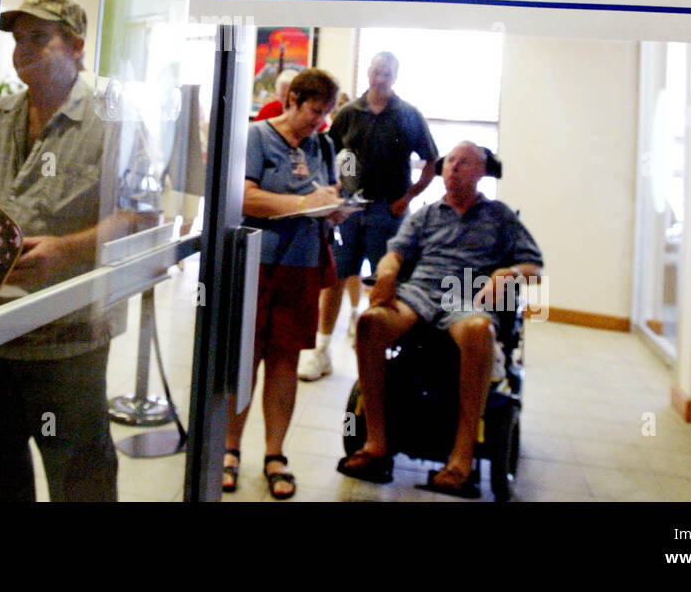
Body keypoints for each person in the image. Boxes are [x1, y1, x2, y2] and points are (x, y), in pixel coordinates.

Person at [0, 0, 141, 502]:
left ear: (77, 45)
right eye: (18, 39)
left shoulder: (114, 118)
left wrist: (67, 249)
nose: (22, 50)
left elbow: (140, 213)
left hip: (67, 338)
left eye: (39, 38)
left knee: (80, 478)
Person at [336, 141, 543, 493]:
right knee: (370, 323)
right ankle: (376, 442)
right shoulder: (426, 214)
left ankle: (461, 457)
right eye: (449, 162)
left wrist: (507, 273)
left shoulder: (500, 216)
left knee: (479, 330)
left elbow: (533, 268)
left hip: (467, 296)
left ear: (480, 172)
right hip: (419, 293)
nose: (452, 167)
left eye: (463, 163)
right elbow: (395, 254)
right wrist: (386, 274)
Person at [225, 68, 342, 500]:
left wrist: (334, 208)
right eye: (315, 110)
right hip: (256, 263)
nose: (320, 121)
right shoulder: (256, 137)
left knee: (284, 362)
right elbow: (243, 196)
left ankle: (275, 454)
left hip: (302, 265)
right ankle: (229, 449)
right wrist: (300, 203)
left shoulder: (323, 145)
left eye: (326, 113)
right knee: (244, 358)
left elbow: (325, 193)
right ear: (293, 99)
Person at [299, 51, 437, 381]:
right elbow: (324, 153)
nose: (380, 76)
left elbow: (432, 161)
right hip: (348, 211)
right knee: (334, 278)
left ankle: (384, 358)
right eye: (376, 70)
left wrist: (409, 197)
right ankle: (321, 351)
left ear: (395, 76)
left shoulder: (408, 115)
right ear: (368, 73)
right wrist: (330, 194)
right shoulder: (348, 113)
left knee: (387, 281)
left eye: (387, 72)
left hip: (388, 212)